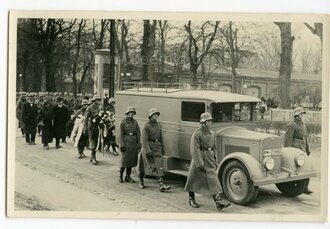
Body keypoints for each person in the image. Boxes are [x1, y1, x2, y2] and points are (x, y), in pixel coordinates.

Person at [184, 112, 231, 211]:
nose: (210, 123)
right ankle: (191, 198)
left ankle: (218, 202)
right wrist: (199, 164)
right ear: (203, 122)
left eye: (210, 121)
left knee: (213, 179)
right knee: (194, 180)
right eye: (208, 121)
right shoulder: (197, 134)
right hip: (199, 158)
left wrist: (216, 160)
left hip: (209, 158)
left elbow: (214, 148)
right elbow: (194, 149)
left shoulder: (212, 133)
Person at [137, 108, 171, 191]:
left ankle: (161, 185)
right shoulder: (146, 126)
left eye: (157, 115)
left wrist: (162, 148)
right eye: (154, 115)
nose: (156, 116)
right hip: (148, 147)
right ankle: (141, 181)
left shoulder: (158, 125)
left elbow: (161, 138)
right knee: (143, 166)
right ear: (150, 116)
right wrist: (147, 150)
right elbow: (144, 139)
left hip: (157, 147)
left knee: (159, 166)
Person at [284, 107, 313, 194]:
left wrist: (308, 149)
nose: (302, 115)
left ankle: (305, 187)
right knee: (295, 168)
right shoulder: (292, 125)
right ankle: (293, 187)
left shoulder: (303, 124)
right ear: (296, 115)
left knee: (305, 167)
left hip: (302, 148)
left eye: (302, 114)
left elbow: (306, 137)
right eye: (300, 113)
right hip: (294, 149)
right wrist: (288, 152)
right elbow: (288, 139)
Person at [118, 106, 141, 183]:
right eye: (130, 113)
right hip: (126, 142)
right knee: (124, 161)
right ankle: (120, 176)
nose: (131, 114)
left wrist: (139, 144)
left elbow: (138, 133)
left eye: (133, 113)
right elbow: (120, 134)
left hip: (133, 142)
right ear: (127, 113)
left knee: (131, 161)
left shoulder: (135, 122)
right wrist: (122, 145)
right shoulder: (123, 122)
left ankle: (128, 176)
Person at [84, 95, 102, 165]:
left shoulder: (99, 107)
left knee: (96, 141)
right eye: (97, 100)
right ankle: (93, 157)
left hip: (97, 126)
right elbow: (86, 119)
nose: (99, 101)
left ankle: (93, 157)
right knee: (92, 141)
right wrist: (85, 128)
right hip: (91, 126)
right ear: (94, 101)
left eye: (99, 100)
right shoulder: (89, 108)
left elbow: (100, 116)